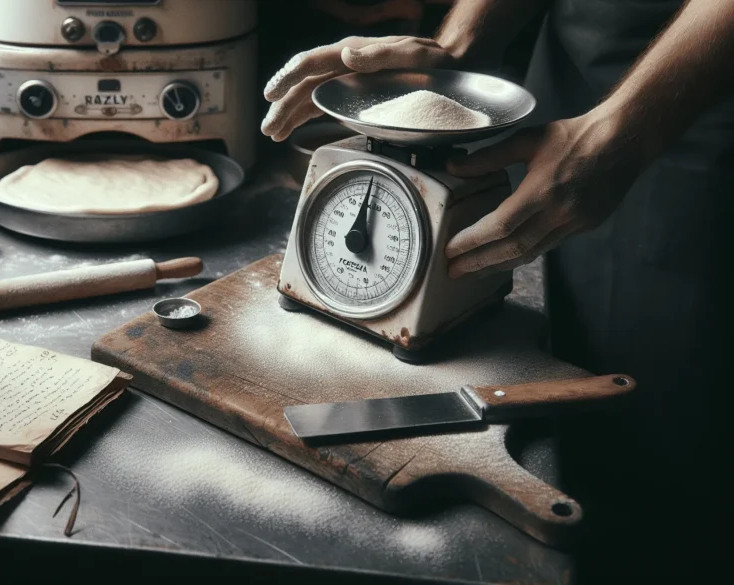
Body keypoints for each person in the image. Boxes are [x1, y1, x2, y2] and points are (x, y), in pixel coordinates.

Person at [262, 0, 729, 580]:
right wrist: (458, 45)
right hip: (569, 87)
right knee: (576, 376)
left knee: (669, 437)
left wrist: (623, 129)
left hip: (707, 97)